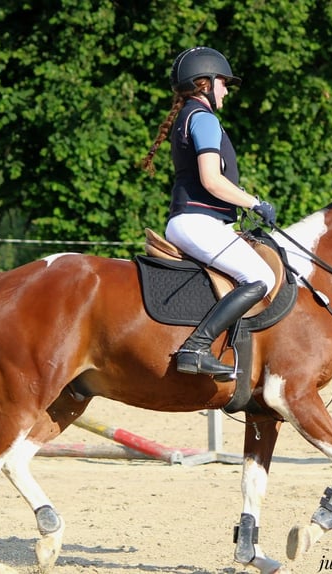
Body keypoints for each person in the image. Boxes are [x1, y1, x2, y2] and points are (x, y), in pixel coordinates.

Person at [141, 46, 277, 378]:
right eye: (224, 83)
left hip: (193, 221)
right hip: (198, 223)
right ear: (206, 83)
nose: (227, 91)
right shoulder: (203, 119)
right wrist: (255, 202)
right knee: (262, 277)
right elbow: (211, 180)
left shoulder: (188, 115)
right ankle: (196, 347)